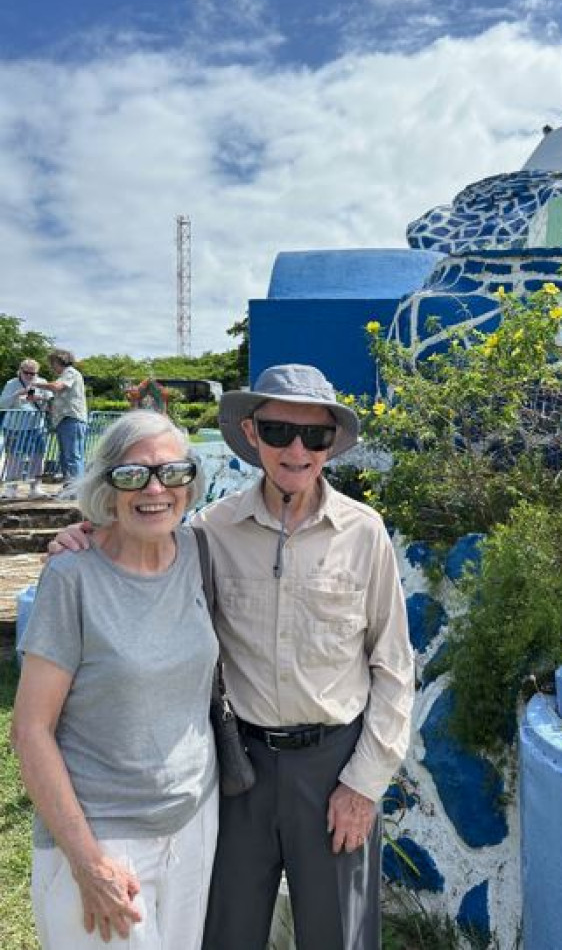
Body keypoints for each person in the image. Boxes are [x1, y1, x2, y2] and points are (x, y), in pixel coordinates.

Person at [50, 364, 416, 950]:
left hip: (334, 768)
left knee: (339, 936)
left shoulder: (364, 532)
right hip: (239, 770)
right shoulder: (209, 532)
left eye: (315, 436)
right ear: (251, 432)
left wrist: (364, 784)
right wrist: (86, 534)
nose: (296, 450)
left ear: (330, 443)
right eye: (278, 431)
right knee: (226, 932)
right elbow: (144, 536)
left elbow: (394, 667)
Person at [12, 410, 219, 949]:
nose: (155, 489)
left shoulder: (197, 552)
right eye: (132, 475)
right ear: (107, 486)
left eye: (172, 472)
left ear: (191, 480)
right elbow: (30, 730)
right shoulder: (72, 576)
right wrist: (88, 862)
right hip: (105, 836)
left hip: (194, 821)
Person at [36, 349, 88, 497]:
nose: (51, 367)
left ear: (58, 361)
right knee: (67, 456)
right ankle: (70, 488)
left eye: (52, 363)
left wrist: (37, 384)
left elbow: (57, 387)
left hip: (71, 419)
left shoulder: (70, 372)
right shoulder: (67, 374)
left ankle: (74, 490)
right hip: (66, 420)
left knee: (72, 456)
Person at [0, 358, 49, 498]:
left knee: (37, 456)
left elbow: (50, 402)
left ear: (37, 373)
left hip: (36, 425)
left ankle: (35, 488)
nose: (28, 376)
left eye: (32, 373)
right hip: (15, 426)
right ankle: (11, 488)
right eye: (26, 372)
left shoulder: (42, 383)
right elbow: (2, 404)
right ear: (20, 371)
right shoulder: (12, 383)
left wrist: (41, 399)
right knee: (14, 458)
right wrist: (17, 394)